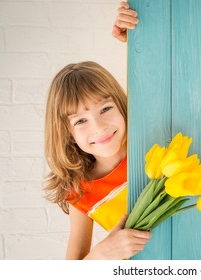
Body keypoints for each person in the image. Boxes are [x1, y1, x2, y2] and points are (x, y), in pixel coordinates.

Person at [44, 3, 145, 260]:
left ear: (122, 104)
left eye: (105, 109)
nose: (98, 127)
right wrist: (102, 253)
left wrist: (137, 33)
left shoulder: (148, 142)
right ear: (66, 133)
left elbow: (161, 75)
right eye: (80, 121)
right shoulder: (80, 192)